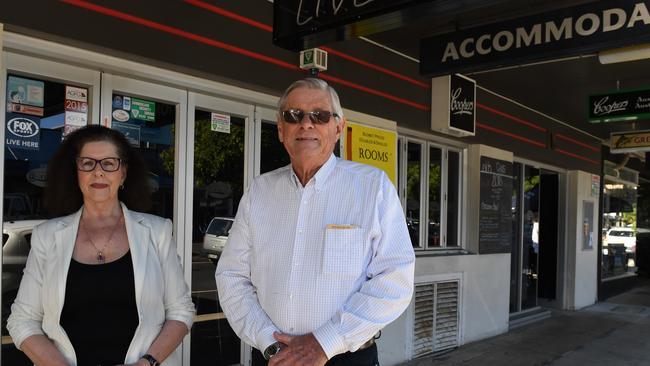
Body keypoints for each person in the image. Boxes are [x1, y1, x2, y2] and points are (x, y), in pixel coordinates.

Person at [215, 78, 415, 366]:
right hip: (274, 357)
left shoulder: (373, 188)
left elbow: (395, 279)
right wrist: (269, 342)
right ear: (281, 130)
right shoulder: (259, 191)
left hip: (346, 358)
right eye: (293, 115)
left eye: (320, 115)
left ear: (338, 128)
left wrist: (325, 342)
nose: (306, 124)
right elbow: (232, 276)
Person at [7, 125, 195, 366]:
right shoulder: (47, 236)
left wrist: (146, 363)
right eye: (87, 163)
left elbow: (181, 311)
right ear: (76, 172)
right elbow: (22, 320)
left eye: (109, 163)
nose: (98, 172)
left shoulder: (157, 232)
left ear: (123, 173)